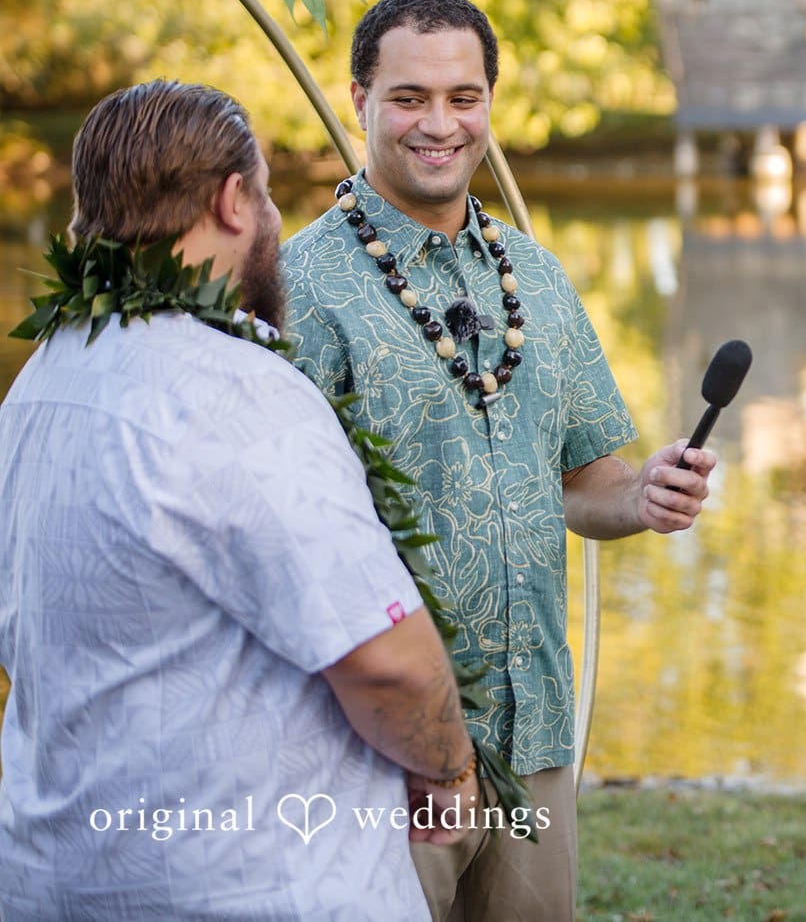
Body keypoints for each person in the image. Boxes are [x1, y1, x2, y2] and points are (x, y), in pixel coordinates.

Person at [280, 0, 716, 921]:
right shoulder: (298, 288)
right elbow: (274, 536)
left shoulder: (539, 276)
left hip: (535, 734)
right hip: (379, 749)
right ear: (358, 99)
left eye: (463, 97)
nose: (440, 124)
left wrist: (644, 494)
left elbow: (585, 481)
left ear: (489, 103)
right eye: (409, 98)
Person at [0, 80, 478, 919]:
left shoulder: (39, 382)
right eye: (263, 191)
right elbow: (386, 659)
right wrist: (449, 768)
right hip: (247, 882)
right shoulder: (238, 391)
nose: (272, 216)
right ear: (231, 201)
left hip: (55, 877)